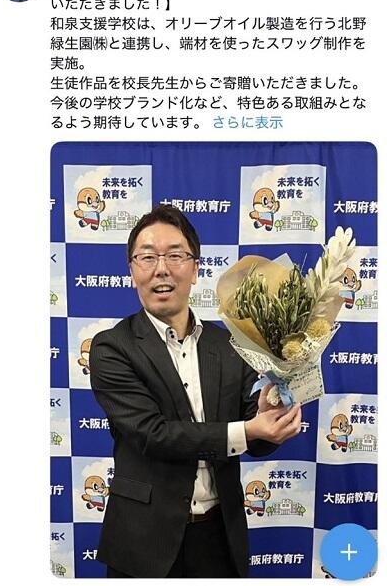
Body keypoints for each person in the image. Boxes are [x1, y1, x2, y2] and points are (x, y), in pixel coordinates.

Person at [90, 205, 302, 578]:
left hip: (220, 536)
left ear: (195, 269)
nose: (161, 269)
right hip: (144, 540)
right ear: (132, 272)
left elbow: (256, 438)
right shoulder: (112, 347)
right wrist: (247, 430)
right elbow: (153, 434)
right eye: (147, 257)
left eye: (175, 255)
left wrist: (270, 416)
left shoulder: (231, 344)